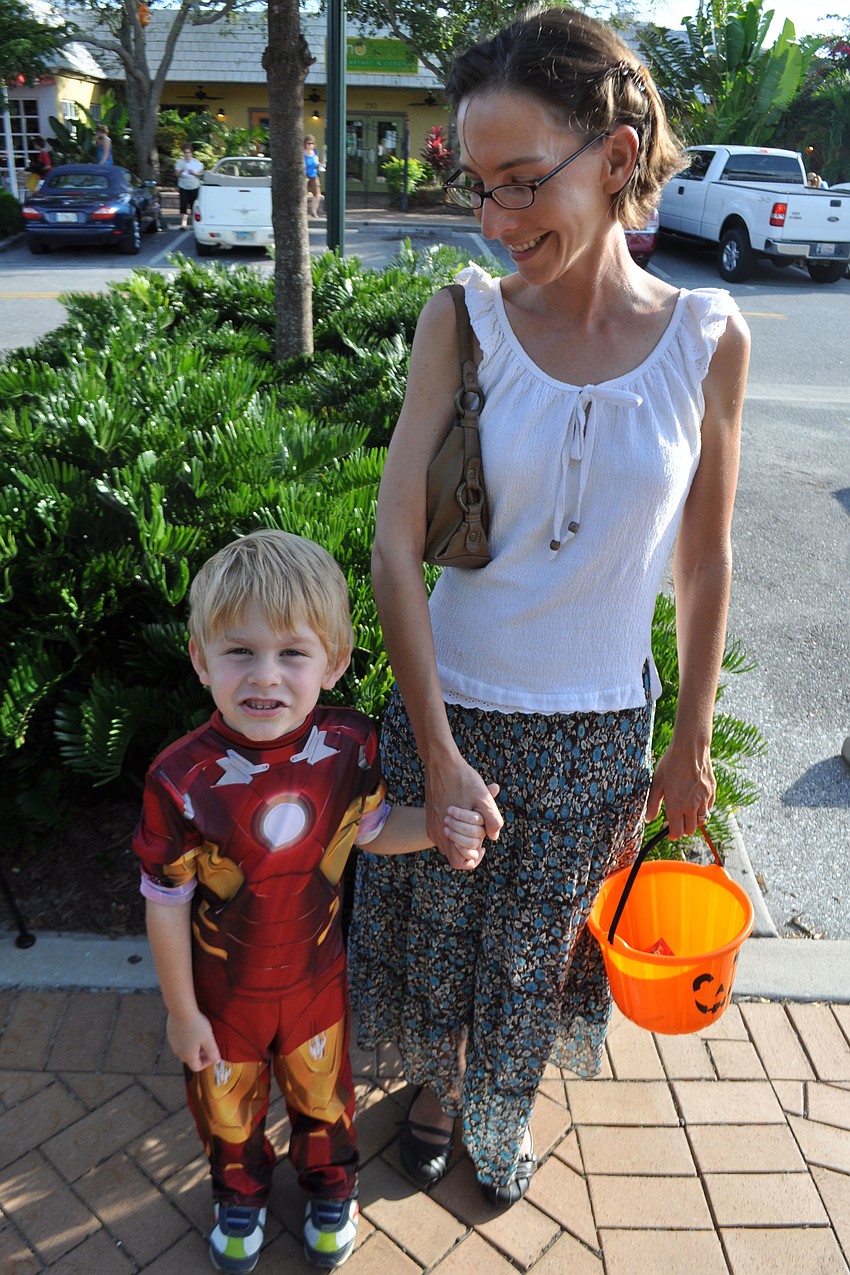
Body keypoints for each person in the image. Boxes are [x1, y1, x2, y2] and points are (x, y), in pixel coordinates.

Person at [349, 4, 750, 1210]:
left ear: (616, 158)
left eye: (522, 182)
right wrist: (434, 751)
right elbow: (393, 543)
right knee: (440, 936)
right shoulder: (463, 321)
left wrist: (688, 740)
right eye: (479, 188)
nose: (496, 220)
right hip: (455, 706)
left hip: (598, 733)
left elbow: (705, 560)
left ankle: (499, 1107)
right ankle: (435, 1093)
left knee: (538, 952)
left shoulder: (706, 337)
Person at [133, 529, 492, 1273]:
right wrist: (180, 1010)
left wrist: (434, 828)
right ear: (200, 658)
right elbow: (165, 900)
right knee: (225, 1107)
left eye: (292, 652)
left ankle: (332, 1186)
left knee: (324, 1098)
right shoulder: (179, 779)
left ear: (334, 660)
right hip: (223, 996)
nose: (265, 675)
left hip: (314, 986)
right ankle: (238, 1192)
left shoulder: (349, 746)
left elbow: (371, 830)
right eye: (239, 650)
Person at [175, 142, 204, 228]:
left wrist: (194, 173)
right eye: (185, 153)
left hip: (194, 186)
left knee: (194, 205)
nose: (187, 154)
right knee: (183, 204)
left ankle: (194, 223)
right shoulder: (180, 162)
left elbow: (201, 174)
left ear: (191, 153)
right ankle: (183, 224)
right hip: (183, 186)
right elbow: (177, 174)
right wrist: (183, 169)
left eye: (188, 152)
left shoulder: (196, 162)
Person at [304, 135, 324, 217]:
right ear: (305, 144)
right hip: (304, 175)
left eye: (312, 143)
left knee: (317, 195)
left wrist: (321, 165)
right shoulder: (302, 153)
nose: (310, 145)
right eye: (308, 143)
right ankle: (303, 211)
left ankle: (313, 211)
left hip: (313, 174)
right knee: (303, 194)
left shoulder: (315, 152)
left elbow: (317, 163)